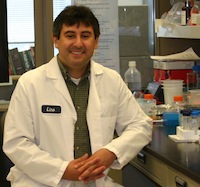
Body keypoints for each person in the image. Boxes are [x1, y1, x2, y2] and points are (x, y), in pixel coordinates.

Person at [3, 5, 152, 187]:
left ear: (96, 41)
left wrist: (111, 152)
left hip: (94, 182)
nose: (78, 43)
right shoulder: (30, 83)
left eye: (86, 36)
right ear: (56, 40)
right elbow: (16, 142)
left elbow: (140, 125)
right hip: (40, 182)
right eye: (70, 35)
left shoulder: (111, 80)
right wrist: (63, 170)